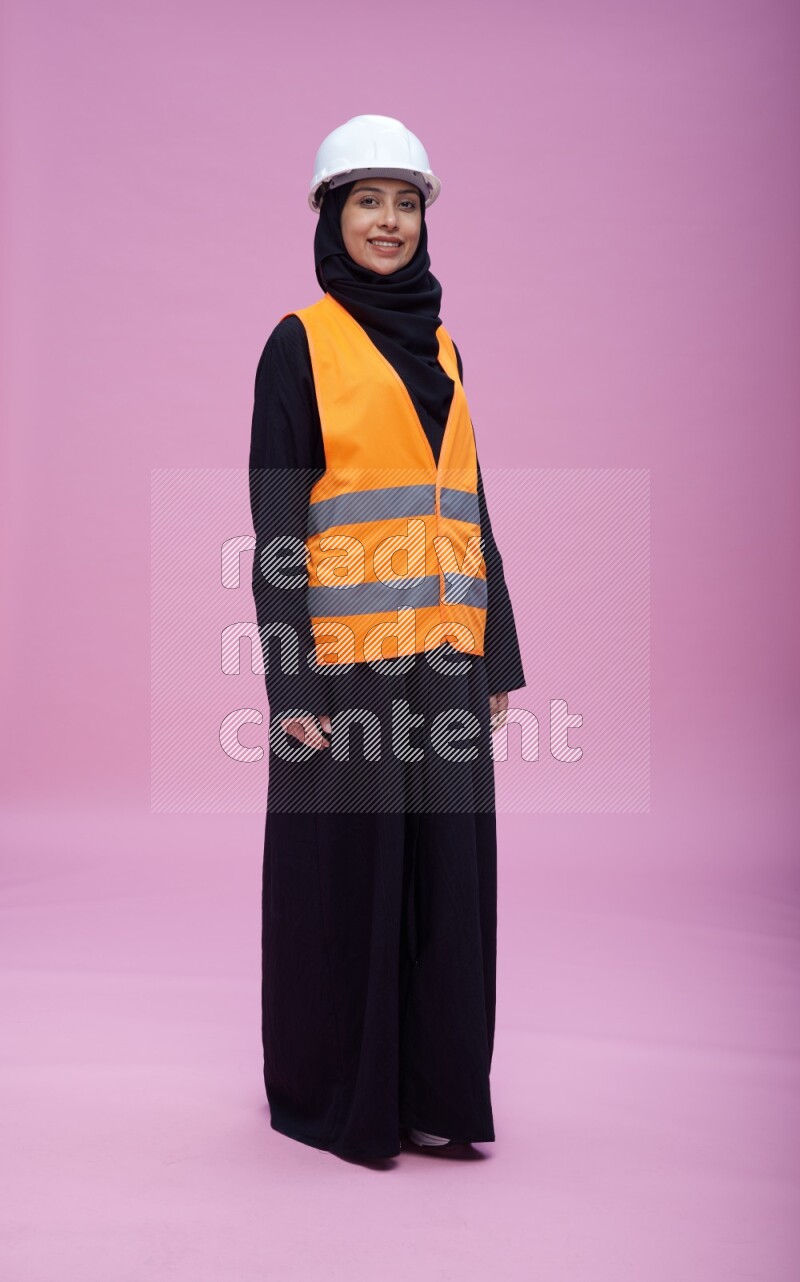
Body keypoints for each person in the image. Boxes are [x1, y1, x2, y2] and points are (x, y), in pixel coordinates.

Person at [249, 114, 526, 1162]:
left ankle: (435, 1091)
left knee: (444, 884)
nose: (388, 221)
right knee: (351, 881)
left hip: (448, 664)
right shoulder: (298, 343)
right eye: (367, 199)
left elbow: (469, 500)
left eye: (405, 202)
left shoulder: (448, 345)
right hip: (347, 673)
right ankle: (341, 1099)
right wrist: (291, 689)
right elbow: (277, 529)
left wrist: (496, 652)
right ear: (331, 214)